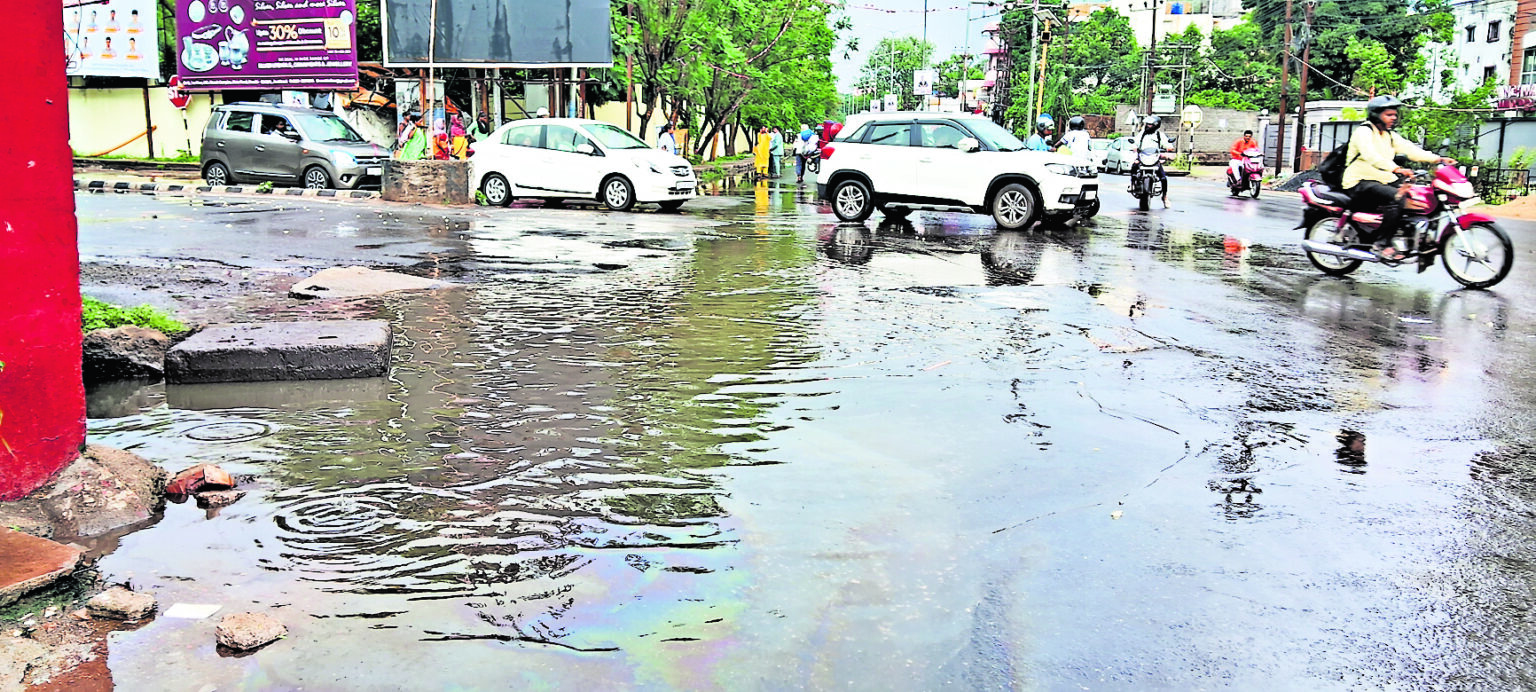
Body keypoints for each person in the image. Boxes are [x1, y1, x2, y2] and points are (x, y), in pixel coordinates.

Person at [1343, 94, 1456, 260]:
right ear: (1376, 115)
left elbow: (1410, 149)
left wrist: (1438, 159)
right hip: (1358, 181)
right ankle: (1381, 244)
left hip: (1382, 180)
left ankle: (1407, 235)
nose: (1393, 118)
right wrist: (1396, 168)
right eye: (1389, 115)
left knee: (1415, 197)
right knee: (1395, 198)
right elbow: (1371, 156)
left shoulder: (1388, 135)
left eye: (1395, 114)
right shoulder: (1363, 132)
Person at [1128, 116, 1174, 207]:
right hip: (1142, 157)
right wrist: (1133, 147)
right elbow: (1135, 142)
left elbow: (1167, 144)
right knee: (1133, 167)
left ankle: (1164, 197)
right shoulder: (1142, 134)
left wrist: (1169, 147)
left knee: (1163, 178)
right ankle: (1133, 185)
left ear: (1156, 125)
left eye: (1150, 125)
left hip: (1154, 158)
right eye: (1147, 124)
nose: (1148, 126)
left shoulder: (1159, 135)